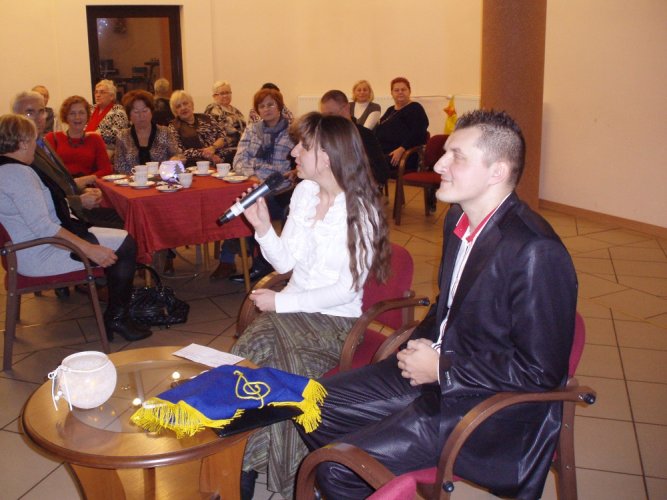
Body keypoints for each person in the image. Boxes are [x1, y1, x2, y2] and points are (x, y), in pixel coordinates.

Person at [299, 110, 578, 500]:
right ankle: (376, 478)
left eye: (456, 156)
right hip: (438, 372)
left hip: (486, 405)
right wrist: (420, 346)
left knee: (339, 469)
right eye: (445, 152)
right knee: (310, 404)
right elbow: (452, 308)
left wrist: (442, 367)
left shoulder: (535, 251)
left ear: (497, 172)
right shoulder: (457, 220)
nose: (439, 164)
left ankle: (357, 475)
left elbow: (540, 372)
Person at [231, 112, 391, 499]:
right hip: (291, 311)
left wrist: (282, 302)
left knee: (281, 373)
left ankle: (257, 473)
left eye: (303, 146)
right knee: (248, 357)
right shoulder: (304, 193)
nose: (294, 153)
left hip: (335, 323)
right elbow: (285, 263)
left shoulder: (361, 210)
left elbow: (345, 290)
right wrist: (263, 228)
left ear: (328, 155)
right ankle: (246, 463)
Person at [0, 113, 151, 342]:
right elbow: (44, 227)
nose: (35, 146)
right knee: (126, 246)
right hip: (41, 253)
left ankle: (117, 313)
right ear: (21, 143)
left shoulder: (8, 170)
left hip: (30, 248)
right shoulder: (17, 174)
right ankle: (117, 317)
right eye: (32, 140)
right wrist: (89, 249)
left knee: (123, 239)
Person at [212, 87, 295, 282]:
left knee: (248, 207)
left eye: (271, 104)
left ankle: (256, 264)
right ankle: (232, 260)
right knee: (235, 203)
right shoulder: (251, 129)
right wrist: (252, 175)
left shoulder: (291, 131)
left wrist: (260, 172)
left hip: (279, 190)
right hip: (252, 182)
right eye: (262, 106)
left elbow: (284, 169)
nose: (266, 109)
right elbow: (239, 160)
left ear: (279, 106)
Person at [12, 91, 124, 230]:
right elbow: (40, 201)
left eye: (41, 112)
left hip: (75, 203)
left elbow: (60, 183)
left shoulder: (42, 142)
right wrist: (78, 200)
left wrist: (83, 189)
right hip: (62, 219)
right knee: (126, 229)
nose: (38, 118)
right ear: (16, 117)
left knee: (128, 217)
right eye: (30, 113)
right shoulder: (22, 152)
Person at [320, 89, 389, 186]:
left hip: (355, 186)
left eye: (331, 114)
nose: (327, 120)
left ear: (346, 108)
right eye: (324, 116)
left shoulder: (364, 135)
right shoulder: (324, 135)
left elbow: (381, 173)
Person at [114, 90, 182, 175]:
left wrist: (175, 160)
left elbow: (177, 156)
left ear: (151, 112)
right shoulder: (122, 136)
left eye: (145, 111)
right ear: (129, 116)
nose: (141, 116)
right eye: (136, 112)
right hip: (133, 181)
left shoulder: (165, 132)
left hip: (161, 180)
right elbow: (119, 168)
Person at [45, 95, 112, 180]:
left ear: (87, 115)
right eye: (72, 113)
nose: (77, 117)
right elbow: (47, 171)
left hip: (89, 186)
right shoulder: (52, 138)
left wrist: (85, 180)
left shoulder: (95, 139)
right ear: (66, 116)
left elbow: (106, 170)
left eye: (81, 113)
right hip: (62, 186)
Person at [375, 76, 429, 169]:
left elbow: (419, 133)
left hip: (402, 154)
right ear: (392, 93)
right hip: (383, 152)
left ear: (409, 91)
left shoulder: (415, 108)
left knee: (370, 165)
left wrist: (402, 149)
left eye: (403, 89)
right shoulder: (390, 110)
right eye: (396, 90)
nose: (400, 92)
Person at [168, 90, 232, 165]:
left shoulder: (208, 118)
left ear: (192, 105)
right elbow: (179, 152)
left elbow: (223, 137)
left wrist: (213, 148)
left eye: (185, 103)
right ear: (175, 111)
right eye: (178, 106)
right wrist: (206, 154)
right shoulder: (174, 127)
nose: (183, 108)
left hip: (222, 158)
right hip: (197, 164)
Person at [85, 79, 129, 153]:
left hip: (107, 148)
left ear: (111, 96)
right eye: (96, 92)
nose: (98, 95)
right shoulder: (90, 109)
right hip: (85, 144)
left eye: (102, 92)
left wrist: (97, 134)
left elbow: (119, 133)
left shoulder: (118, 110)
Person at [204, 80, 246, 148]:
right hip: (222, 148)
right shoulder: (213, 109)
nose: (225, 96)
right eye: (222, 93)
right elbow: (224, 131)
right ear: (214, 96)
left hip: (240, 147)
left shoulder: (236, 111)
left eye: (228, 93)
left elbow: (244, 128)